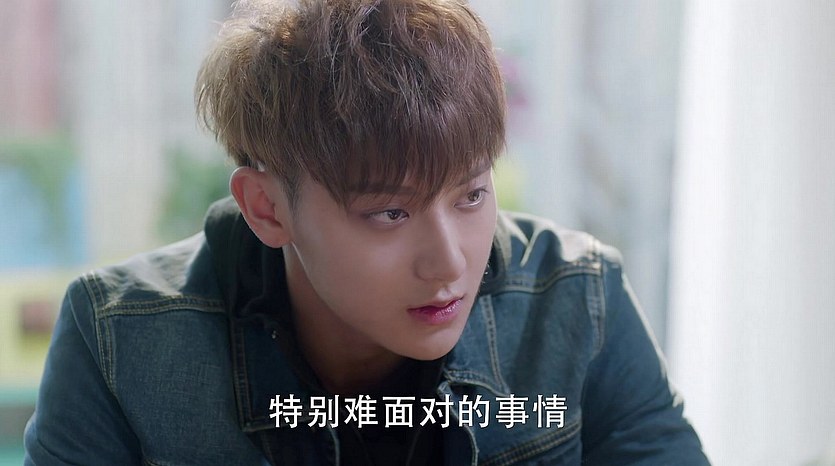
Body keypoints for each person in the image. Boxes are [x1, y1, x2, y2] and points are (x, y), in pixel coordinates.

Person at [24, 0, 709, 464]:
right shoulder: (121, 339)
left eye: (471, 195)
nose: (448, 263)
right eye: (390, 214)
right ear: (267, 209)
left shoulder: (577, 296)